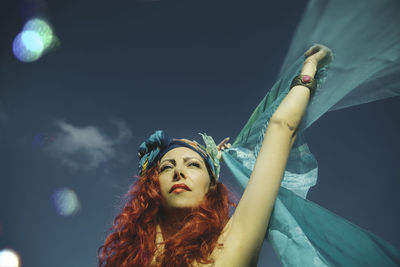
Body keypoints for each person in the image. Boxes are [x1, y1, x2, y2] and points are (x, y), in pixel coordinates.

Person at [97, 44, 331, 267]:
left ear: (212, 186)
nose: (178, 171)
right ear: (152, 186)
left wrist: (310, 66)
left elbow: (282, 126)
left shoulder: (232, 244)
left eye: (194, 166)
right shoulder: (129, 260)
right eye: (167, 167)